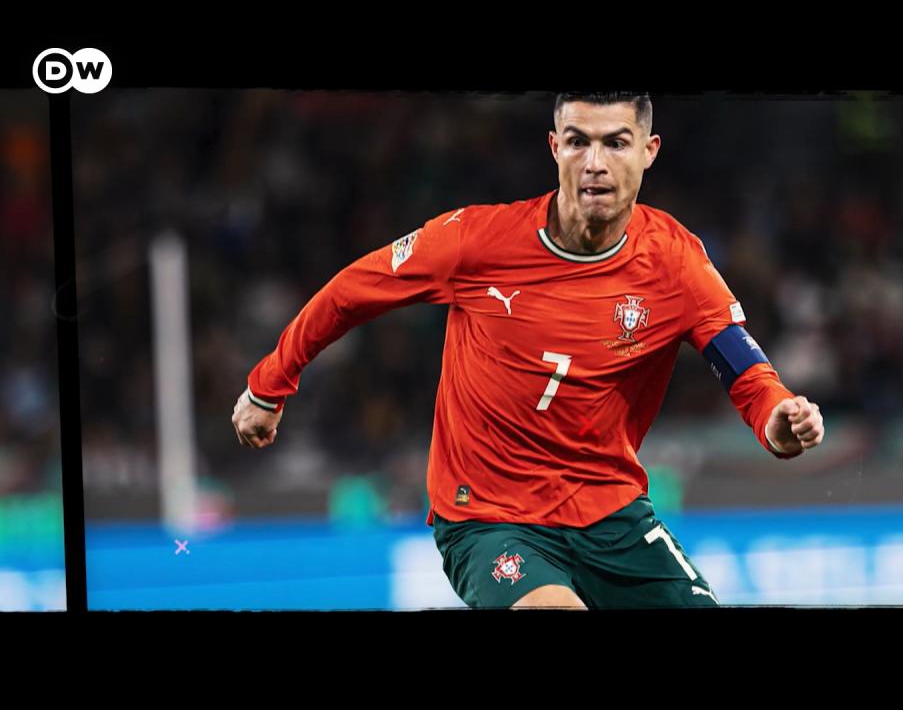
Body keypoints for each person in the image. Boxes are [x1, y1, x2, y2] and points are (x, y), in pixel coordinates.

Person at [232, 92, 824, 609]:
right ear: (554, 147)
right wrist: (269, 384)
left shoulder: (675, 260)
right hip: (488, 517)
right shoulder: (475, 241)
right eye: (578, 141)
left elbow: (742, 367)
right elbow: (350, 293)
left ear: (649, 151)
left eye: (616, 143)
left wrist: (775, 416)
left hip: (610, 515)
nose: (595, 163)